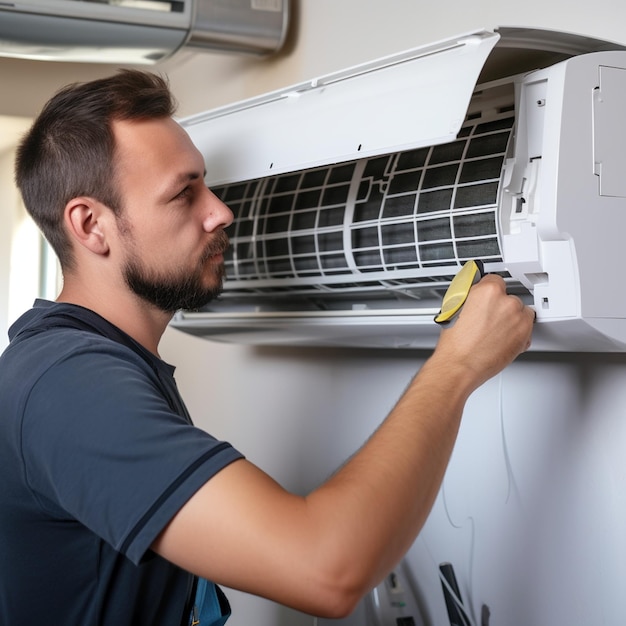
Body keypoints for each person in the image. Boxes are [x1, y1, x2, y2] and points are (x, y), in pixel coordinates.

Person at [0, 69, 535, 626]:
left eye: (205, 184)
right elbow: (325, 569)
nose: (220, 212)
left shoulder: (95, 364)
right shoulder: (68, 386)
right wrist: (458, 365)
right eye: (184, 194)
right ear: (91, 226)